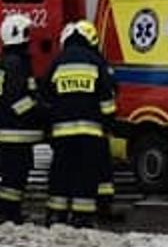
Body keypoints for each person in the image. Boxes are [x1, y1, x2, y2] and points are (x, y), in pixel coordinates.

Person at [42, 20, 116, 228]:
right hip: (90, 132)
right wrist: (108, 123)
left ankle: (57, 213)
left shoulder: (58, 62)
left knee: (61, 171)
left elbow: (45, 97)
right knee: (86, 172)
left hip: (62, 132)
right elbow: (107, 99)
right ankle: (82, 217)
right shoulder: (95, 61)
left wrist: (49, 126)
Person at [0, 13, 44, 224]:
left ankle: (9, 210)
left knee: (13, 174)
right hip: (16, 130)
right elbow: (17, 101)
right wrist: (39, 112)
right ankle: (9, 213)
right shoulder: (15, 63)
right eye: (27, 33)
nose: (30, 39)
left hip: (11, 130)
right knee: (15, 175)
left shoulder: (10, 61)